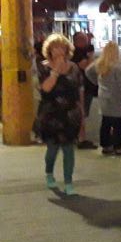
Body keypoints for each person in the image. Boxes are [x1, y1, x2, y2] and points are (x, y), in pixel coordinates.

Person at [35, 34, 84, 195]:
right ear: (49, 50)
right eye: (55, 47)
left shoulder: (74, 68)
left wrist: (81, 114)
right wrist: (56, 70)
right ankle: (49, 173)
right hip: (51, 115)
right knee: (52, 149)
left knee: (69, 149)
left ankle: (69, 183)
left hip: (70, 114)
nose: (59, 50)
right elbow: (46, 88)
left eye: (62, 47)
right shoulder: (43, 67)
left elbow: (79, 92)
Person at [85, 41, 121, 157]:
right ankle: (118, 147)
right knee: (118, 123)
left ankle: (106, 146)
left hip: (104, 97)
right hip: (117, 99)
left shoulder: (100, 63)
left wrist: (96, 82)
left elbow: (88, 71)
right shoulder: (119, 67)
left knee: (106, 122)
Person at [70, 31, 98, 150]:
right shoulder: (76, 53)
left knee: (82, 112)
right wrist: (91, 56)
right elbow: (88, 67)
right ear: (78, 41)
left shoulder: (82, 51)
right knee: (81, 112)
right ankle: (79, 137)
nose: (86, 41)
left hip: (87, 86)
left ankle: (77, 136)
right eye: (84, 39)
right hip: (82, 87)